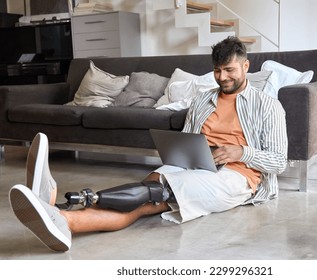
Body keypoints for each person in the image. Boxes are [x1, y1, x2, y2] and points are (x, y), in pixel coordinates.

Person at [9, 36, 288, 252]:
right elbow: (189, 139)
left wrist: (242, 151)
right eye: (217, 70)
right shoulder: (204, 99)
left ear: (246, 66)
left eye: (229, 70)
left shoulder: (268, 106)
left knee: (152, 196)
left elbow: (280, 161)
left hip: (238, 177)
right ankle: (58, 214)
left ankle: (61, 212)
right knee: (148, 192)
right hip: (197, 165)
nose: (223, 77)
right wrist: (181, 151)